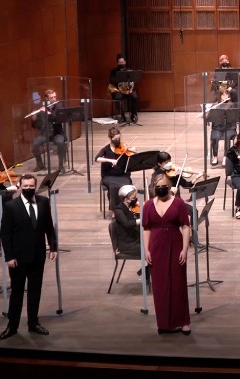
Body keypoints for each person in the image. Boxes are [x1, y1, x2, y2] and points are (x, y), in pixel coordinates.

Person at [0, 174, 58, 339]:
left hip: (38, 256)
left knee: (35, 291)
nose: (28, 189)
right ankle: (12, 326)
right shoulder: (11, 206)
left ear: (35, 185)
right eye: (25, 187)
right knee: (17, 293)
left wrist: (53, 246)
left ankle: (33, 323)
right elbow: (5, 234)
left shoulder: (43, 202)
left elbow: (48, 226)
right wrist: (9, 257)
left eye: (31, 186)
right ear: (20, 186)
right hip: (18, 258)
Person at [142, 174, 192, 335]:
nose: (160, 189)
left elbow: (185, 226)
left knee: (178, 283)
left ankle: (183, 321)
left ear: (169, 187)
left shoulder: (178, 203)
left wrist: (184, 249)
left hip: (175, 243)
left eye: (163, 186)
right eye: (157, 187)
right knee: (160, 285)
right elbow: (146, 228)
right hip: (156, 247)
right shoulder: (148, 205)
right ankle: (164, 322)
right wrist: (146, 250)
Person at [94, 127, 134, 208]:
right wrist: (110, 160)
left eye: (119, 138)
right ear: (110, 138)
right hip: (109, 176)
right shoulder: (106, 149)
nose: (118, 141)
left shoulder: (123, 147)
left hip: (122, 175)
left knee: (126, 184)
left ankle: (126, 206)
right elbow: (97, 158)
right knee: (114, 186)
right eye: (115, 139)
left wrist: (129, 150)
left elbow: (131, 155)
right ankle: (114, 209)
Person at [29, 89, 66, 172]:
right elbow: (35, 126)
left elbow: (58, 119)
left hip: (57, 133)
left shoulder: (59, 106)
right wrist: (34, 119)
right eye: (51, 97)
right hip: (44, 134)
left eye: (55, 97)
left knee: (60, 143)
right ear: (46, 98)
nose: (54, 99)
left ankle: (61, 166)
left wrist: (48, 113)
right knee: (35, 145)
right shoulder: (41, 108)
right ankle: (40, 165)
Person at [205, 82, 239, 166]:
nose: (225, 97)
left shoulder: (231, 105)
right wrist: (208, 113)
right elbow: (209, 118)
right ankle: (215, 156)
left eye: (227, 95)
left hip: (229, 127)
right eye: (223, 95)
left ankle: (225, 157)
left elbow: (235, 117)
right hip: (218, 128)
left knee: (228, 137)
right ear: (219, 96)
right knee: (215, 137)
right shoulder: (215, 105)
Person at [111, 185, 143, 259]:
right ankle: (146, 270)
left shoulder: (131, 206)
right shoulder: (119, 210)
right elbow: (127, 224)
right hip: (128, 244)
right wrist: (140, 220)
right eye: (134, 198)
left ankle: (147, 270)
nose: (136, 199)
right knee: (153, 250)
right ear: (126, 200)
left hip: (135, 239)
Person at [110, 55, 139, 125]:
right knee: (117, 97)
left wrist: (131, 89)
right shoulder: (113, 71)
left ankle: (133, 115)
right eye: (120, 62)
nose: (121, 64)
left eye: (122, 62)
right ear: (117, 63)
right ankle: (122, 116)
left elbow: (133, 82)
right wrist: (120, 89)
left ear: (125, 62)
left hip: (128, 90)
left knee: (135, 97)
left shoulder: (129, 71)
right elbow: (111, 81)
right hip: (118, 90)